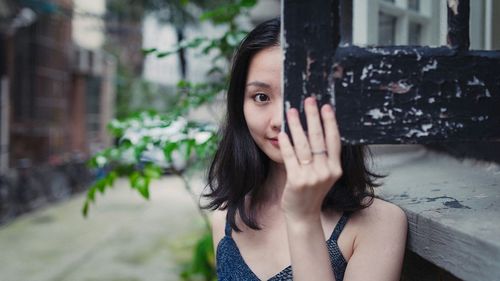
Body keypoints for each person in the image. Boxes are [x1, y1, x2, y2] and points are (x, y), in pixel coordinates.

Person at [203, 18, 408, 281]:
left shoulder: (379, 224)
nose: (279, 121)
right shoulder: (225, 218)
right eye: (261, 97)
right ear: (240, 106)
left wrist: (303, 218)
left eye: (298, 98)